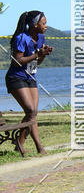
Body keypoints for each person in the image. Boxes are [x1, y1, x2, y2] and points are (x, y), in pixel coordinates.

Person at [4, 10, 53, 156]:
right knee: (31, 111)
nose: (46, 26)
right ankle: (39, 147)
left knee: (33, 112)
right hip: (16, 78)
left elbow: (38, 62)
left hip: (30, 77)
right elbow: (17, 61)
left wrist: (43, 54)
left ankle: (19, 144)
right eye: (43, 23)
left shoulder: (41, 37)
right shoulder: (21, 38)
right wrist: (37, 54)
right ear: (35, 25)